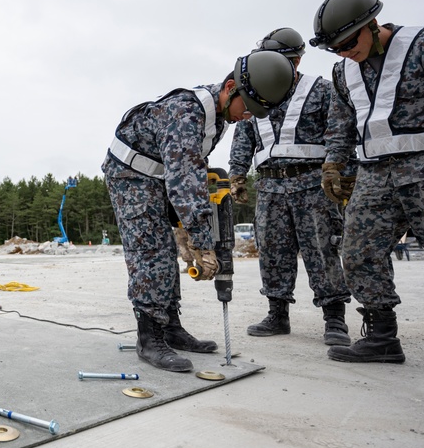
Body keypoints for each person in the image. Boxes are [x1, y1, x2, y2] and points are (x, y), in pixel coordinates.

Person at [310, 0, 424, 384]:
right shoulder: (344, 71)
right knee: (357, 251)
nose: (344, 52)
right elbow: (341, 122)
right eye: (334, 48)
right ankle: (381, 336)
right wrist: (333, 164)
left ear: (372, 25)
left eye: (349, 42)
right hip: (375, 176)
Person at [102, 50, 297, 372]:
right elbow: (183, 177)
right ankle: (149, 338)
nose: (247, 116)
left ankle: (171, 327)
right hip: (131, 177)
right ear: (230, 87)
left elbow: (192, 169)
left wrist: (190, 230)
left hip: (161, 176)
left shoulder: (218, 117)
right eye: (246, 107)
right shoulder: (186, 113)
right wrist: (203, 240)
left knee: (169, 253)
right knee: (151, 252)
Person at [228, 28, 352, 345]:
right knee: (271, 250)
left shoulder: (323, 90)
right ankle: (277, 314)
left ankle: (335, 319)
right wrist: (237, 173)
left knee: (321, 248)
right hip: (270, 184)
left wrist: (343, 174)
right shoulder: (256, 92)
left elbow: (341, 133)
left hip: (313, 182)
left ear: (295, 61)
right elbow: (244, 135)